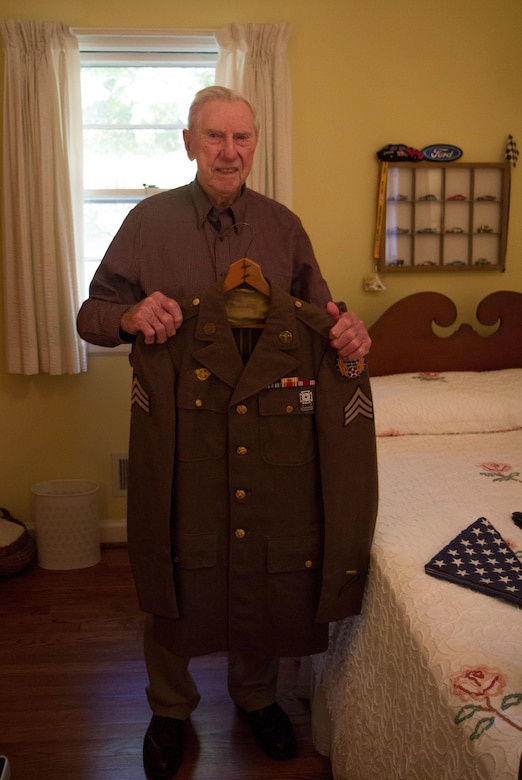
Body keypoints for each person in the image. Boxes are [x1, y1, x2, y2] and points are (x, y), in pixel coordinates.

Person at [77, 86, 376, 780]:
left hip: (270, 430)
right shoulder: (147, 224)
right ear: (189, 143)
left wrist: (351, 330)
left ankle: (256, 696)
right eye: (215, 137)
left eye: (242, 138)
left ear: (255, 145)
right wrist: (127, 318)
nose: (229, 151)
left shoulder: (282, 227)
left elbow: (322, 319)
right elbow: (91, 312)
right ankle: (170, 707)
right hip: (179, 433)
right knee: (175, 553)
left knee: (263, 552)